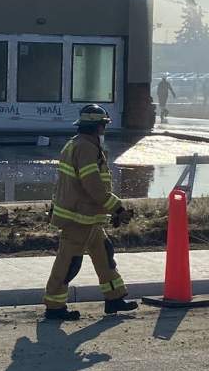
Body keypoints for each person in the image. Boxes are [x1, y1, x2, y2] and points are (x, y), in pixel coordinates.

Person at [42, 104, 138, 321]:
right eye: (103, 125)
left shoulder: (76, 144)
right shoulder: (86, 148)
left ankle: (114, 298)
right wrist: (117, 207)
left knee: (104, 254)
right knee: (68, 263)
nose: (104, 130)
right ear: (98, 127)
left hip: (88, 217)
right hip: (79, 218)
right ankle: (54, 307)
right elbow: (92, 184)